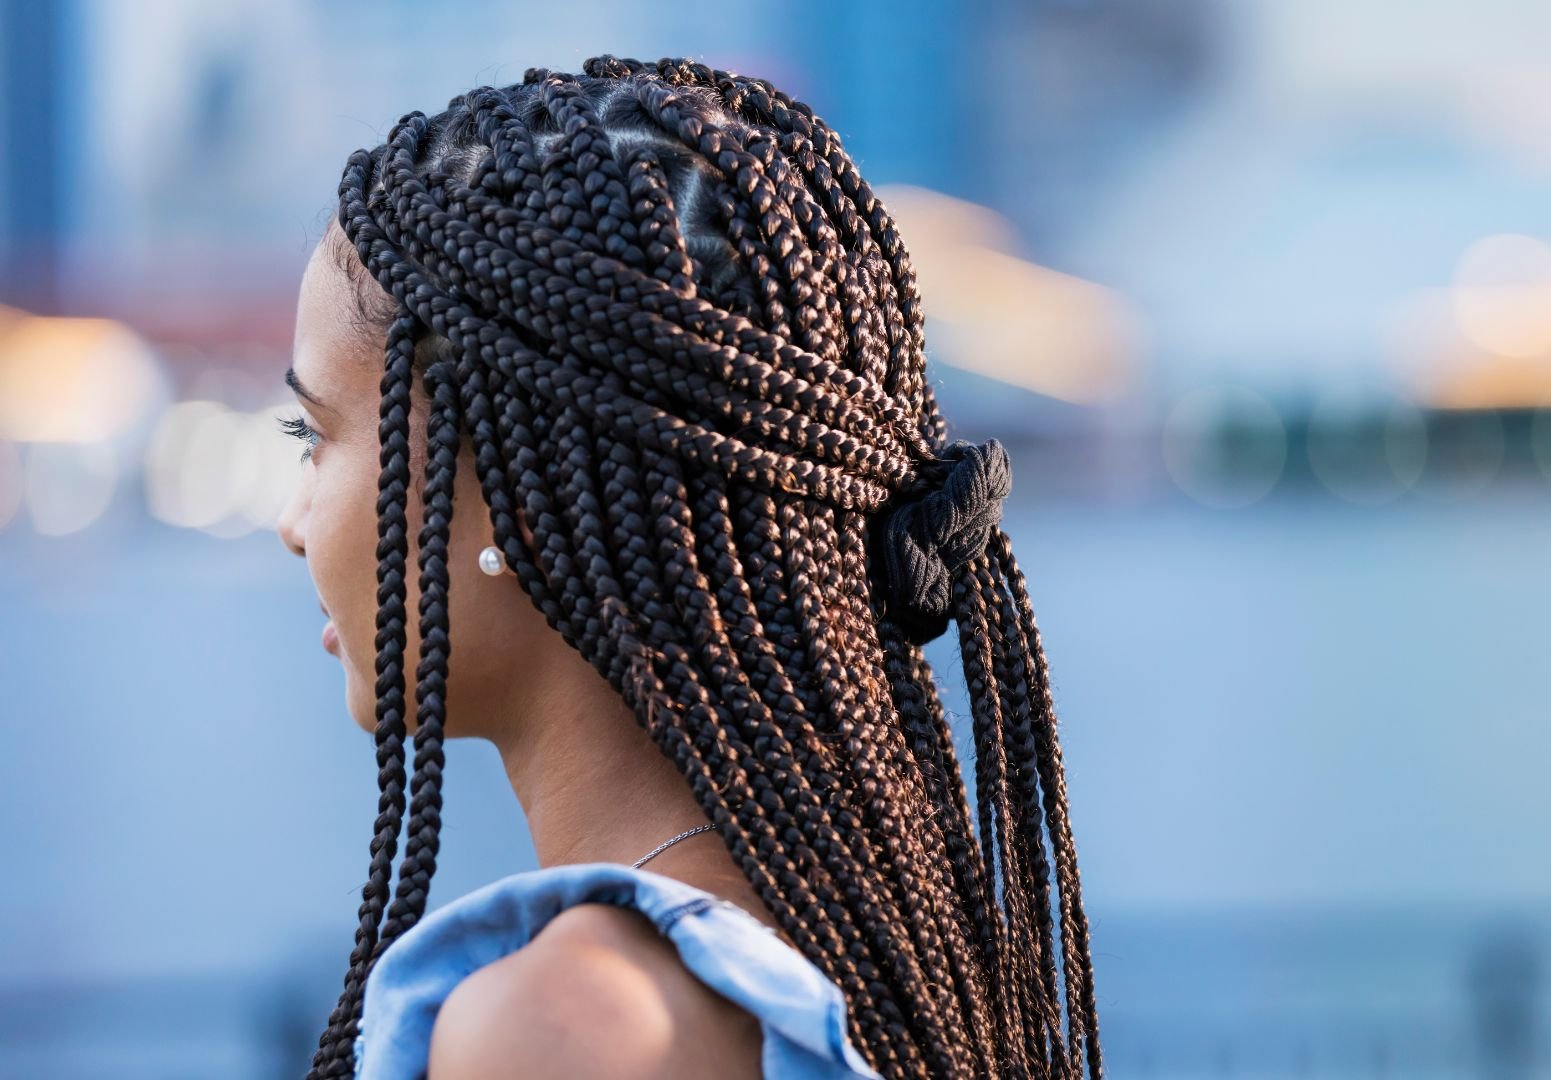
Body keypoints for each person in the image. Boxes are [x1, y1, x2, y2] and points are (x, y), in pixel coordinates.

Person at [274, 55, 1103, 1079]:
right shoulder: (882, 949)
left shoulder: (575, 1026)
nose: (293, 519)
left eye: (310, 434)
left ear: (515, 498)